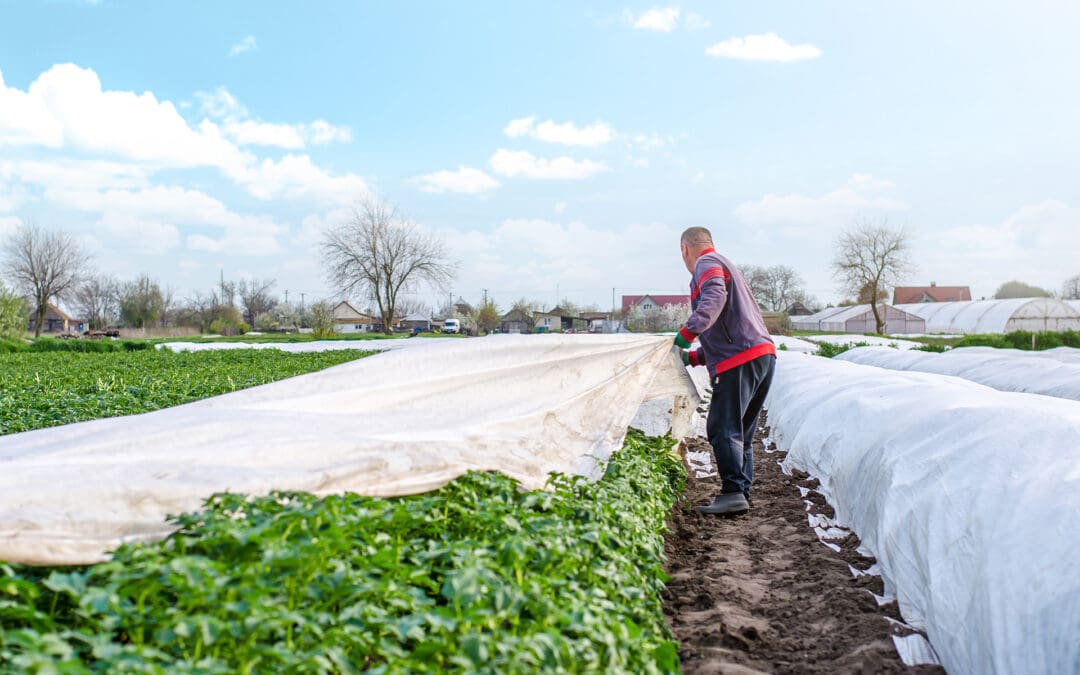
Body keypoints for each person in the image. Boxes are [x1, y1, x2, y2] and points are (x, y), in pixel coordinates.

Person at [674, 227, 776, 516]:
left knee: (721, 426)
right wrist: (694, 357)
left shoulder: (706, 263)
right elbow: (732, 325)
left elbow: (714, 300)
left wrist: (687, 333)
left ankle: (732, 493)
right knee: (740, 430)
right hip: (762, 357)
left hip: (740, 360)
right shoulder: (729, 266)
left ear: (685, 249)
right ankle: (740, 491)